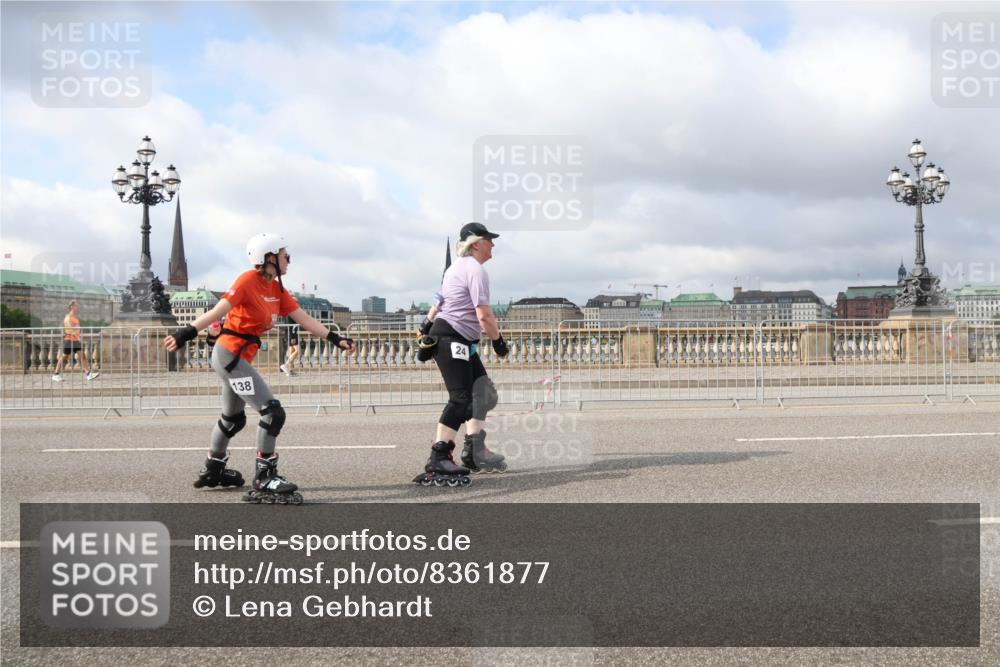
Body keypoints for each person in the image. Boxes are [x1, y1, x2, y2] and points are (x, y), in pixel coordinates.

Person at [163, 233, 355, 504]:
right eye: (285, 255)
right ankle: (265, 476)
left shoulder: (276, 290)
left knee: (233, 419)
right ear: (269, 257)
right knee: (272, 413)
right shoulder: (247, 281)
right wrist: (186, 332)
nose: (289, 260)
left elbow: (304, 319)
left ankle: (213, 467)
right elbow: (219, 310)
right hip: (229, 356)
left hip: (238, 358)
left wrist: (336, 338)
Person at [413, 222, 509, 487]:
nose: (493, 244)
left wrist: (425, 326)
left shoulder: (454, 268)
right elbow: (485, 315)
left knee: (484, 393)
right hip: (452, 337)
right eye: (489, 240)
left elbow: (438, 302)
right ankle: (438, 455)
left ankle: (475, 451)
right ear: (476, 243)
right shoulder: (475, 270)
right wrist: (499, 342)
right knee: (461, 400)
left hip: (456, 337)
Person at [52, 300, 100, 382]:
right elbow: (69, 327)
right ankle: (56, 374)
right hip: (70, 339)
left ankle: (88, 374)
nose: (78, 308)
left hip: (74, 340)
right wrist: (75, 335)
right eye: (77, 306)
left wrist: (77, 336)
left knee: (82, 356)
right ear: (72, 307)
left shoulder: (74, 317)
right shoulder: (69, 317)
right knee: (64, 357)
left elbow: (75, 327)